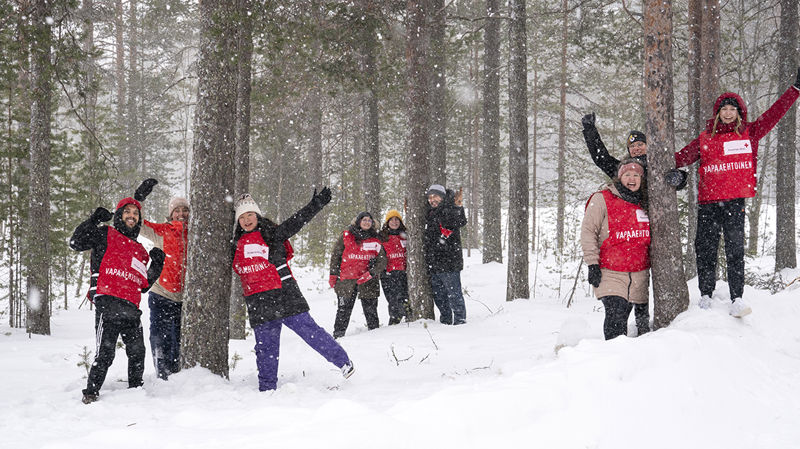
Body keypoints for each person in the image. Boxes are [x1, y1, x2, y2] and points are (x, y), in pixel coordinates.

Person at [666, 68, 800, 317]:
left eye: (732, 109)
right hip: (708, 203)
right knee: (705, 249)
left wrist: (795, 90)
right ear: (718, 113)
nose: (728, 113)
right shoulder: (705, 138)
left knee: (735, 251)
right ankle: (705, 295)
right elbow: (680, 157)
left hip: (734, 202)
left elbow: (774, 114)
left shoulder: (750, 133)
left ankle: (737, 298)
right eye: (724, 109)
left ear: (739, 112)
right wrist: (648, 158)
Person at [232, 190, 354, 392]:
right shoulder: (235, 244)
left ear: (257, 215)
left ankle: (343, 362)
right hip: (257, 300)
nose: (247, 220)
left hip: (284, 293)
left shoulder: (271, 233)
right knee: (266, 346)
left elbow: (296, 222)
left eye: (250, 214)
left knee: (310, 331)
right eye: (242, 217)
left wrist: (316, 204)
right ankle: (267, 387)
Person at [69, 179, 165, 404]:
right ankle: (91, 393)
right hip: (108, 303)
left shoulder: (140, 250)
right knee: (105, 353)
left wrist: (157, 264)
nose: (132, 216)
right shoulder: (105, 233)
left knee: (138, 353)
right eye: (127, 211)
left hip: (131, 307)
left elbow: (143, 284)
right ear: (119, 215)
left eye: (136, 213)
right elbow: (75, 242)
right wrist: (93, 220)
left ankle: (136, 391)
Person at [581, 160, 651, 339]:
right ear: (619, 177)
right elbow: (588, 231)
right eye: (627, 175)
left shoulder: (647, 201)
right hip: (611, 272)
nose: (632, 179)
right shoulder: (602, 198)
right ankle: (612, 353)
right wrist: (592, 264)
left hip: (639, 275)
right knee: (616, 316)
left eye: (636, 175)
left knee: (635, 322)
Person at [138, 196, 189, 380]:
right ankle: (162, 374)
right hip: (161, 293)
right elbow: (139, 223)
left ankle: (176, 375)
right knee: (160, 337)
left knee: (178, 339)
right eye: (177, 210)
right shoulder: (161, 230)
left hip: (185, 298)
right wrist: (139, 200)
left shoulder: (196, 232)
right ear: (170, 214)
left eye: (185, 210)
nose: (181, 214)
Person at [582, 113, 688, 191]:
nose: (636, 148)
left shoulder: (658, 163)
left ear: (648, 147)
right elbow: (601, 158)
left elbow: (679, 179)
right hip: (632, 212)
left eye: (640, 144)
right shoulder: (622, 169)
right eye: (632, 146)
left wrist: (679, 178)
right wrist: (590, 130)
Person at [329, 211, 387, 338]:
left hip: (368, 281)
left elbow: (382, 261)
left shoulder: (376, 239)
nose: (367, 222)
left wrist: (371, 273)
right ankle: (338, 336)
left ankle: (374, 336)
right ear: (358, 221)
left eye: (369, 220)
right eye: (364, 220)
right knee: (343, 310)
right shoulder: (346, 235)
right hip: (346, 280)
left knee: (371, 311)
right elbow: (336, 255)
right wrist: (333, 274)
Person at [423, 184, 467, 325]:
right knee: (439, 296)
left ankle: (460, 320)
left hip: (450, 262)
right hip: (433, 263)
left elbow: (460, 221)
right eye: (430, 197)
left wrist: (458, 207)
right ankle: (445, 320)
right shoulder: (429, 212)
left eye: (435, 196)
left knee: (454, 295)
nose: (432, 200)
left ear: (442, 196)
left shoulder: (449, 208)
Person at [379, 209, 409, 325]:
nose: (394, 222)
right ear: (387, 222)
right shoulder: (382, 236)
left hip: (404, 273)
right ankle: (394, 323)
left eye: (397, 219)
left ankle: (410, 322)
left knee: (406, 300)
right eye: (391, 220)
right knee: (393, 302)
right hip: (389, 274)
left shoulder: (406, 235)